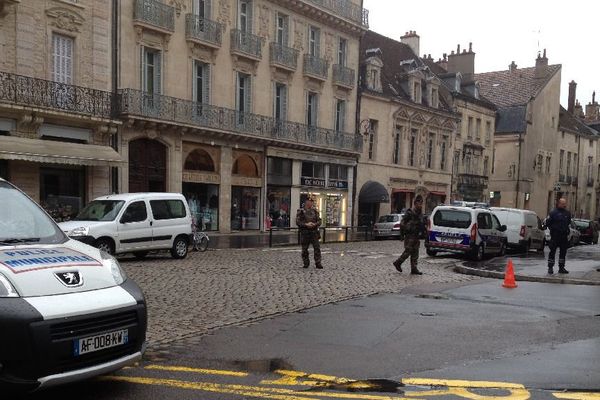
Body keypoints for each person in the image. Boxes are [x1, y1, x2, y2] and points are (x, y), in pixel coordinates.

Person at [393, 195, 426, 275]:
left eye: (421, 203)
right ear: (415, 204)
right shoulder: (410, 212)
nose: (420, 205)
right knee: (408, 251)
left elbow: (422, 224)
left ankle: (414, 268)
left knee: (415, 253)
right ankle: (398, 262)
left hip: (416, 236)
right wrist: (401, 235)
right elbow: (402, 223)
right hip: (409, 236)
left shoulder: (420, 214)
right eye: (419, 203)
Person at [546, 198, 572, 274]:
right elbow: (548, 223)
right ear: (559, 203)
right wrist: (552, 230)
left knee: (563, 252)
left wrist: (567, 231)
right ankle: (550, 267)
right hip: (555, 235)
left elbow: (568, 223)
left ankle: (561, 267)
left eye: (565, 203)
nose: (564, 205)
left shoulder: (567, 213)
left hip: (563, 236)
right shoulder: (553, 213)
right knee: (552, 251)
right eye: (563, 203)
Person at [296, 197, 322, 269]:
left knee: (317, 248)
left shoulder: (315, 211)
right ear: (306, 202)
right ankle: (306, 263)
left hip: (314, 232)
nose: (310, 203)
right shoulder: (301, 211)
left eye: (311, 202)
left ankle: (318, 263)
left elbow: (319, 221)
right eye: (309, 202)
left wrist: (315, 224)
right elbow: (298, 222)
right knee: (304, 249)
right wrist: (306, 224)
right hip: (305, 232)